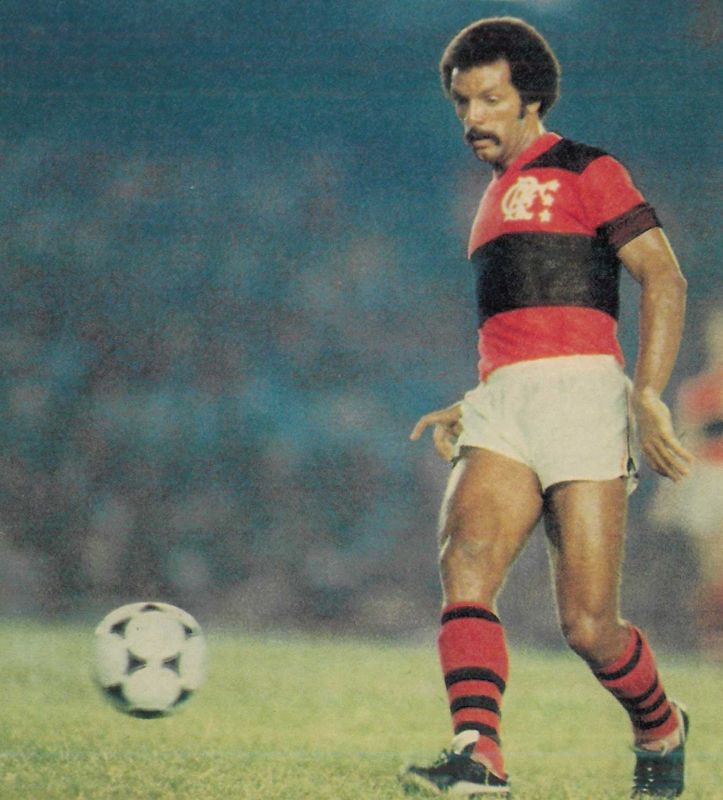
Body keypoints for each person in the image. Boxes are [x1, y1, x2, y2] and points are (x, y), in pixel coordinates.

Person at [400, 17, 694, 798]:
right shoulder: (488, 199)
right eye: (462, 102)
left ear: (530, 98)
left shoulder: (586, 168)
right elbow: (521, 321)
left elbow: (662, 277)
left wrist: (648, 394)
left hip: (583, 399)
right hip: (502, 402)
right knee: (464, 563)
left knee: (589, 628)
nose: (472, 118)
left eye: (489, 100)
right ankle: (478, 757)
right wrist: (475, 396)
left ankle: (661, 728)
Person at [649, 307, 723, 661]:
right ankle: (712, 642)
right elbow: (687, 441)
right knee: (713, 568)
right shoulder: (697, 390)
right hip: (708, 481)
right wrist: (669, 493)